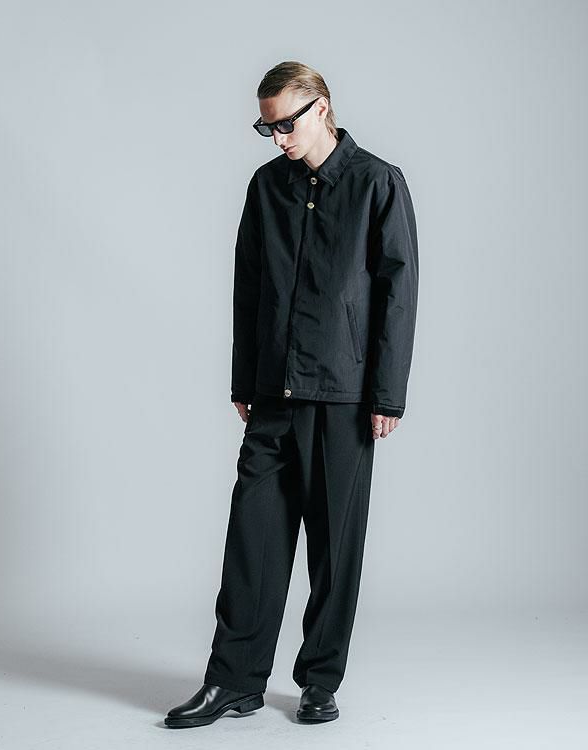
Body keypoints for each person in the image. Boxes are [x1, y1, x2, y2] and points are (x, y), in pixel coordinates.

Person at [165, 60, 419, 729]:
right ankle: (234, 681)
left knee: (335, 548)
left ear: (321, 108)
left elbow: (398, 296)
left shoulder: (377, 183)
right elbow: (248, 287)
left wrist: (387, 393)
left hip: (344, 395)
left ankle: (319, 681)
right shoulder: (266, 188)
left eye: (284, 124)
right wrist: (244, 378)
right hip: (273, 392)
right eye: (266, 128)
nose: (277, 138)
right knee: (252, 541)